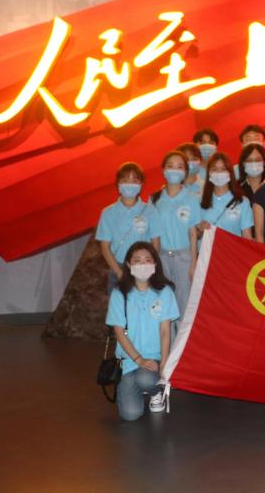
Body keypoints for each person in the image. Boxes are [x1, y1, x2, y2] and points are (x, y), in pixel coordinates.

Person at [106, 242, 179, 421]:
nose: (143, 264)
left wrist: (164, 363)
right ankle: (138, 386)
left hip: (154, 358)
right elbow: (119, 332)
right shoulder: (119, 294)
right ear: (129, 264)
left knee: (146, 379)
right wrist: (139, 359)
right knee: (130, 415)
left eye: (147, 260)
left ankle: (155, 392)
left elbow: (165, 331)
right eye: (137, 260)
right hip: (129, 361)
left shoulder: (164, 292)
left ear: (155, 263)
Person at [148, 150, 200, 321]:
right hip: (161, 257)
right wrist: (152, 262)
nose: (174, 170)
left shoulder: (191, 198)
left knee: (184, 305)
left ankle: (182, 339)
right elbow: (152, 234)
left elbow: (193, 233)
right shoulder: (155, 199)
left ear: (185, 172)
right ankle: (167, 338)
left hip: (184, 258)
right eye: (170, 166)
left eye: (179, 167)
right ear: (163, 170)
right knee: (164, 304)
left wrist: (193, 263)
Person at [97, 162, 156, 287]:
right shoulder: (108, 212)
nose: (130, 184)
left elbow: (156, 241)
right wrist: (118, 272)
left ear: (141, 184)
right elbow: (105, 247)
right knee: (118, 300)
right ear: (118, 184)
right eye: (125, 180)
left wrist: (149, 267)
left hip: (144, 268)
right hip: (118, 266)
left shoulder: (150, 210)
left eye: (134, 180)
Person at [198, 152, 254, 239]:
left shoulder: (242, 202)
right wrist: (200, 230)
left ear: (230, 173)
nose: (219, 173)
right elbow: (194, 235)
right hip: (206, 247)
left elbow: (247, 236)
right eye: (214, 169)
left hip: (231, 247)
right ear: (209, 173)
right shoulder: (199, 201)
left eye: (223, 169)